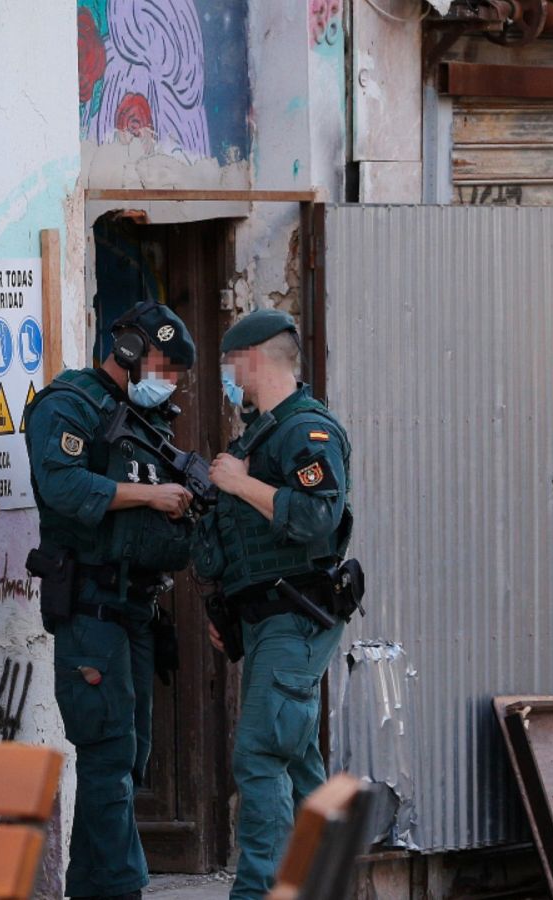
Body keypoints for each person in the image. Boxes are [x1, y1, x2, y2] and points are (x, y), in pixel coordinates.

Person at [23, 301, 198, 900]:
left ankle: (94, 887)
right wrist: (148, 499)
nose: (168, 382)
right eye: (162, 365)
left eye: (177, 374)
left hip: (134, 610)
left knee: (129, 759)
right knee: (107, 754)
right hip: (90, 611)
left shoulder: (143, 421)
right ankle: (123, 887)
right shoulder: (67, 404)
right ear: (126, 350)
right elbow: (63, 485)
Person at [193, 308, 354, 900]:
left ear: (255, 359)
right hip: (267, 622)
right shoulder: (259, 434)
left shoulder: (306, 431)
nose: (228, 377)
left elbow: (318, 516)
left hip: (298, 619)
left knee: (260, 753)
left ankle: (261, 892)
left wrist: (239, 483)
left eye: (232, 364)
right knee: (297, 759)